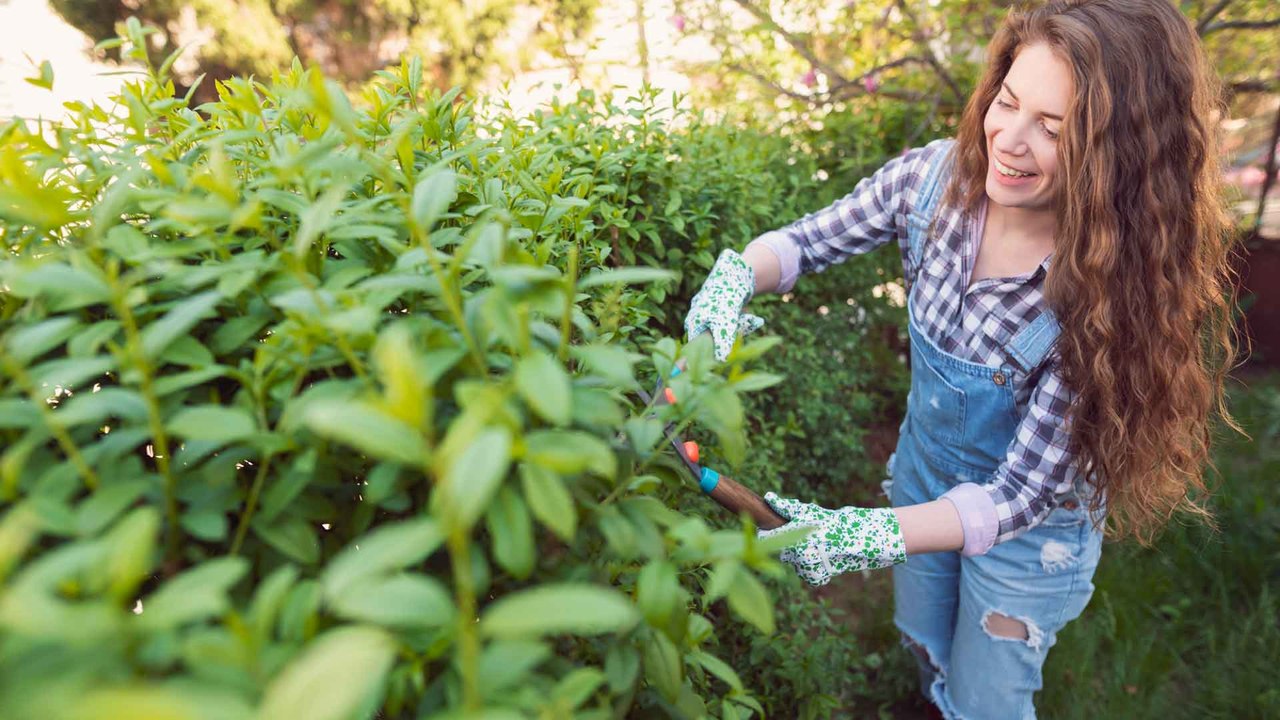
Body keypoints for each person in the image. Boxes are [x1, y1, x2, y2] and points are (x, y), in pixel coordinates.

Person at [682, 1, 1242, 717]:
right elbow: (804, 244)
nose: (1010, 139)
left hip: (1027, 540)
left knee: (986, 698)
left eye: (1053, 127)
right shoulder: (931, 187)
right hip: (923, 477)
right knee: (923, 639)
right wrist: (736, 275)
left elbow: (1015, 498)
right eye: (1007, 102)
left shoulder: (1102, 300)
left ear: (1116, 157)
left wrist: (869, 533)